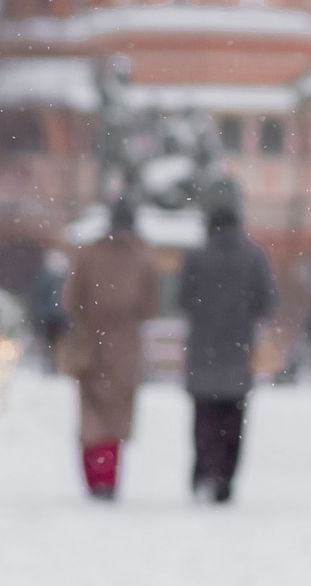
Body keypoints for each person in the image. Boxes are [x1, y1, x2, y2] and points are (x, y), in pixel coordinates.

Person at [61, 198, 163, 501]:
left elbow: (71, 300)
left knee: (91, 415)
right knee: (117, 416)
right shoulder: (143, 259)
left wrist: (87, 320)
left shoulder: (90, 255)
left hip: (90, 342)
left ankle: (94, 478)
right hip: (126, 347)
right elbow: (150, 308)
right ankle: (109, 478)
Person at [178, 193, 276, 503]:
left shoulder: (196, 257)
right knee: (232, 419)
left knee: (204, 416)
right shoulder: (254, 257)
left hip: (203, 351)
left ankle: (204, 467)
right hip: (238, 350)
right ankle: (225, 477)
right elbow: (266, 303)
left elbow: (181, 300)